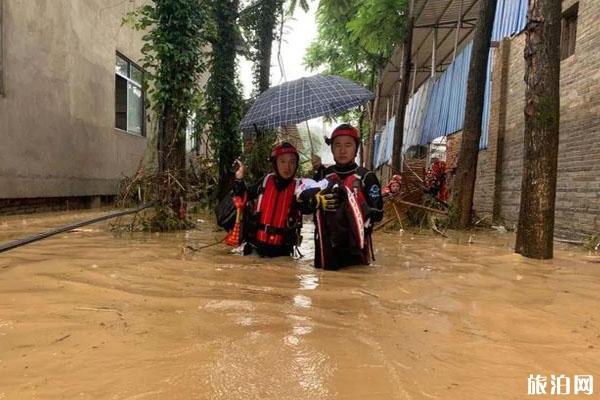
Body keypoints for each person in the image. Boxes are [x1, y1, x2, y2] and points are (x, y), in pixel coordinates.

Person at [299, 124, 383, 270]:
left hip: (356, 249)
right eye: (337, 145)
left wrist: (353, 206)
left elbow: (378, 214)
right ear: (332, 149)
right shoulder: (323, 176)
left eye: (348, 145)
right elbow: (304, 208)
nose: (342, 150)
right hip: (325, 247)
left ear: (355, 149)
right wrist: (315, 199)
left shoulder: (366, 177)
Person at [219, 142, 307, 258]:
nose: (287, 167)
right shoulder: (265, 181)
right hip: (256, 245)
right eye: (282, 161)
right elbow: (243, 196)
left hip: (282, 250)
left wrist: (319, 170)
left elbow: (308, 207)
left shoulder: (300, 188)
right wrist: (239, 179)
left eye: (292, 162)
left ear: (296, 165)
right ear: (275, 163)